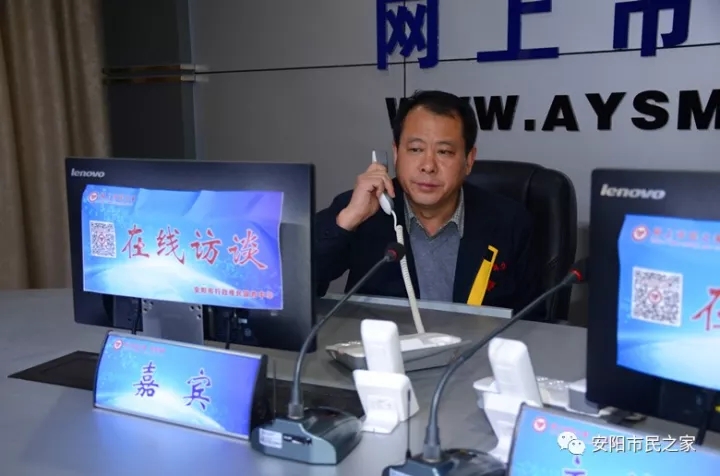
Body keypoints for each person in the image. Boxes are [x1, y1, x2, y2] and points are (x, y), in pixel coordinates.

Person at [314, 90, 545, 321]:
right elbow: (300, 289)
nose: (428, 166)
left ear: (468, 160)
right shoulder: (362, 210)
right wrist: (346, 222)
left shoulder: (510, 222)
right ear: (396, 153)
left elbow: (535, 325)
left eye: (444, 152)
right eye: (416, 149)